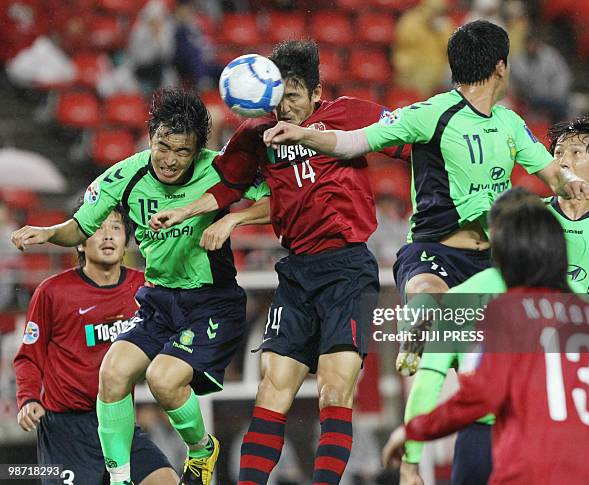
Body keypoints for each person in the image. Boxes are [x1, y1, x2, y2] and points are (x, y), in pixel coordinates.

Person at [261, 20, 589, 385]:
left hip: (491, 261)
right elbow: (356, 141)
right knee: (428, 291)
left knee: (495, 373)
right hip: (435, 250)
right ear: (501, 66)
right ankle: (418, 330)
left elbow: (552, 173)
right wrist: (304, 135)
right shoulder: (430, 114)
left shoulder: (510, 123)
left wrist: (573, 183)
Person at [149, 40, 411, 484]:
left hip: (348, 270)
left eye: (293, 95)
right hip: (297, 272)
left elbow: (409, 137)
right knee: (272, 389)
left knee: (334, 388)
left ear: (315, 93)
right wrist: (187, 210)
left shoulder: (349, 115)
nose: (284, 106)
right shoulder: (256, 136)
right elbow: (228, 187)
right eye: (278, 96)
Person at [11, 88, 270, 485]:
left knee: (164, 380)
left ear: (198, 149)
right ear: (150, 136)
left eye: (182, 152)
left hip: (210, 302)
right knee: (112, 374)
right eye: (162, 146)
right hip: (158, 300)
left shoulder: (220, 168)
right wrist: (48, 233)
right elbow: (80, 228)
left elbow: (278, 202)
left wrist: (231, 220)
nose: (169, 160)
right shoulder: (125, 175)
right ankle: (119, 479)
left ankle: (202, 449)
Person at [396, 115, 589, 485]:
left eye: (575, 152)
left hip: (548, 407)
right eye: (556, 153)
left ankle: (421, 317)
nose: (561, 161)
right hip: (555, 415)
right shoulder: (527, 216)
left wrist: (412, 448)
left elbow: (469, 391)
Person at [13, 208, 178, 485]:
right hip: (67, 431)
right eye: (97, 229)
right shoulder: (52, 292)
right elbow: (29, 356)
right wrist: (29, 398)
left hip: (118, 421)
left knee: (166, 481)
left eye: (116, 228)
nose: (108, 236)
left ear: (126, 239)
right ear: (79, 240)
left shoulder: (145, 287)